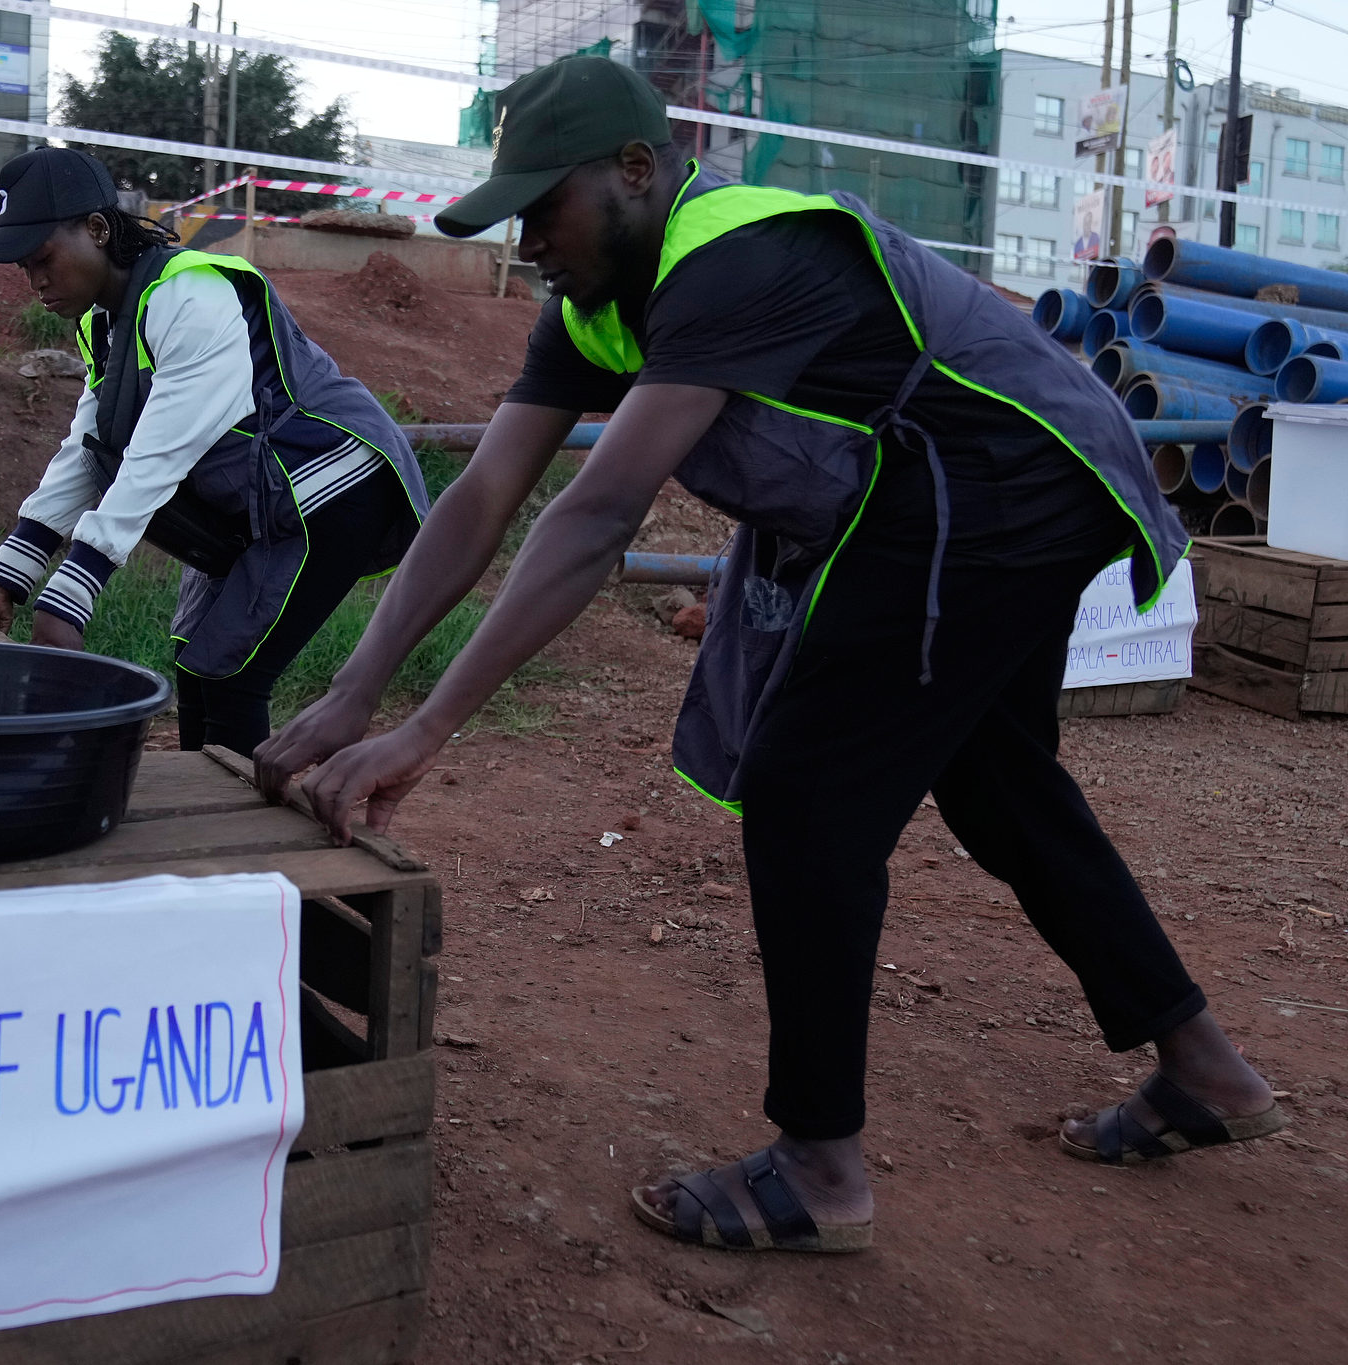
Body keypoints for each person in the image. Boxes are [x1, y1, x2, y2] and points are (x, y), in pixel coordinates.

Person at [255, 57, 1281, 1253]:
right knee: (999, 787)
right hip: (950, 492)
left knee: (809, 800)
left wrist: (423, 730)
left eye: (543, 208)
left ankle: (818, 1170)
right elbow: (485, 492)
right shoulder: (590, 300)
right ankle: (1206, 1071)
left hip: (996, 483)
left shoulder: (734, 255)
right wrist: (350, 693)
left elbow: (594, 517)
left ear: (635, 172)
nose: (528, 239)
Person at [0, 148, 430, 756]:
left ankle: (240, 840)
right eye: (24, 268)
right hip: (261, 503)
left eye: (42, 258)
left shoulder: (191, 297)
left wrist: (75, 590)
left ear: (97, 230)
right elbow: (90, 446)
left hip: (332, 487)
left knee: (230, 672)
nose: (35, 280)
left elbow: (157, 455)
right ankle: (204, 824)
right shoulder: (107, 322)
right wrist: (11, 572)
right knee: (197, 663)